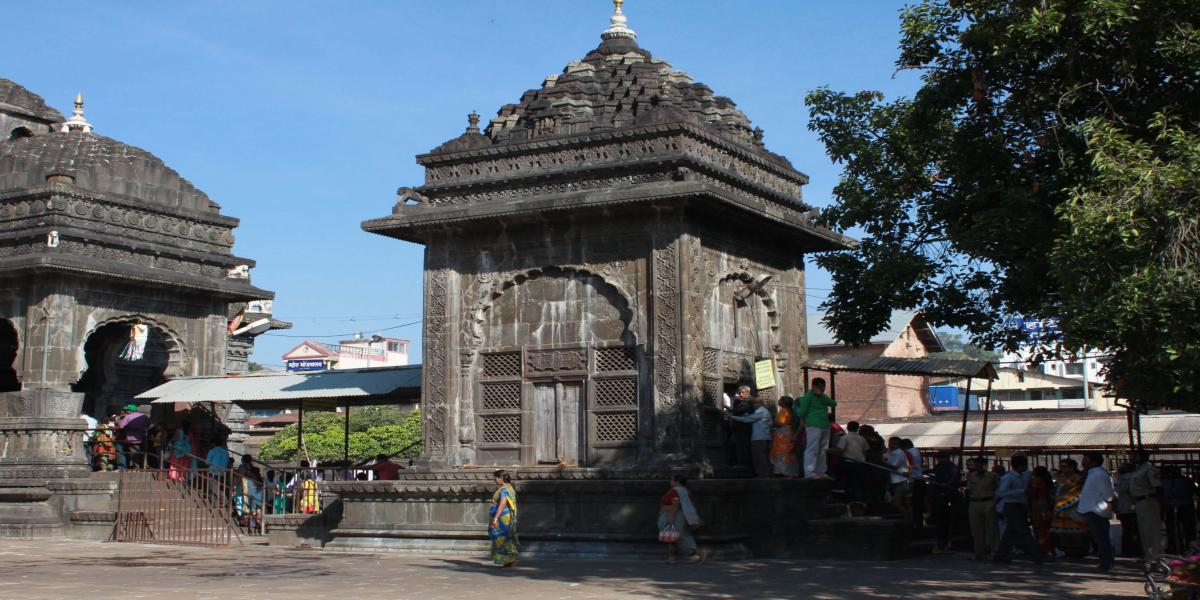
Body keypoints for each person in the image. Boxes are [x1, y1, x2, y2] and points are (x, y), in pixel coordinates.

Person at [994, 455, 1045, 564]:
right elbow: (1002, 493)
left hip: (1021, 505)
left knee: (1010, 532)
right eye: (1025, 465)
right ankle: (1037, 554)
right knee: (1024, 530)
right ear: (1020, 466)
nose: (1027, 467)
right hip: (1012, 505)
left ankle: (1000, 554)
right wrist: (1020, 491)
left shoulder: (1025, 476)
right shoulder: (1008, 478)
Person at [1078, 452, 1116, 571]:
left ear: (1092, 461)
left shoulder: (1099, 474)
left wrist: (1111, 502)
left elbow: (1107, 493)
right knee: (1100, 538)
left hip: (1097, 510)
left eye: (1085, 458)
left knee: (1102, 538)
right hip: (1092, 509)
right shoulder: (1092, 474)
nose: (1082, 461)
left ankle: (1105, 563)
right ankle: (1106, 561)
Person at [794, 378, 836, 479]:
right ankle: (809, 473)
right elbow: (802, 412)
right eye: (819, 387)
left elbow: (833, 404)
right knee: (812, 449)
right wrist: (807, 420)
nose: (822, 389)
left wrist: (822, 396)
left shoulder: (823, 396)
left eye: (823, 387)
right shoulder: (807, 397)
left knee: (822, 450)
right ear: (813, 386)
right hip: (813, 425)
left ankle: (821, 472)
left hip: (824, 425)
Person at [658, 475, 705, 563]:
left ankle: (698, 553)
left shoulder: (676, 491)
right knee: (673, 536)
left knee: (675, 536)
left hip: (676, 516)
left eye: (672, 480)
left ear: (678, 481)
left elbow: (675, 505)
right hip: (681, 516)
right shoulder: (686, 491)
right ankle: (672, 557)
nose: (670, 482)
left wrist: (670, 519)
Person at [725, 395, 772, 478]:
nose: (754, 404)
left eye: (756, 403)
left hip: (760, 438)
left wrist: (732, 417)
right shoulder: (762, 411)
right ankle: (764, 475)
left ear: (761, 403)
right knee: (761, 457)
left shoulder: (761, 411)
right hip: (762, 437)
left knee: (760, 458)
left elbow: (747, 419)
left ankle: (764, 475)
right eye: (754, 403)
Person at [1051, 458, 1089, 557]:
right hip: (1062, 509)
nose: (1062, 469)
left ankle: (1079, 550)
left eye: (1064, 466)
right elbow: (1058, 491)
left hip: (1074, 507)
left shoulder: (1078, 478)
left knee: (1078, 528)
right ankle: (1067, 550)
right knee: (1063, 530)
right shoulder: (1060, 478)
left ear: (1072, 467)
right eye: (1061, 467)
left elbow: (1079, 491)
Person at [965, 456, 1000, 560]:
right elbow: (969, 489)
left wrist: (995, 502)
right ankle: (979, 552)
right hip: (974, 502)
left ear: (985, 465)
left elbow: (999, 490)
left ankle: (995, 552)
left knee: (992, 529)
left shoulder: (993, 476)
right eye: (976, 465)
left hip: (988, 502)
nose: (978, 467)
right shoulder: (972, 476)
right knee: (976, 530)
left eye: (980, 465)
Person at [1130, 450, 1163, 559]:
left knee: (1151, 529)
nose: (1132, 458)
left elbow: (1157, 487)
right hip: (1140, 502)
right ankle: (1148, 555)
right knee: (1144, 530)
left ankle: (1156, 556)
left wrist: (1160, 504)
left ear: (1142, 457)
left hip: (1148, 501)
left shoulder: (1149, 469)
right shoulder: (1139, 470)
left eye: (1135, 456)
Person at [928, 453, 959, 553]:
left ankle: (946, 543)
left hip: (948, 497)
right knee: (940, 522)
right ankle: (941, 543)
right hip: (939, 497)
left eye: (940, 458)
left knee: (947, 521)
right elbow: (933, 476)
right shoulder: (938, 467)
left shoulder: (952, 468)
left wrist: (945, 489)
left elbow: (952, 481)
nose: (939, 461)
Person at [1162, 466, 1197, 554]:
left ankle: (1176, 547)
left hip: (1174, 506)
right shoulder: (1186, 480)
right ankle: (1186, 547)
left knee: (1175, 528)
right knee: (1186, 528)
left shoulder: (1164, 481)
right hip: (1183, 506)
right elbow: (1193, 491)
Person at [489, 469, 519, 567]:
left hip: (502, 517)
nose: (495, 481)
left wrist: (496, 518)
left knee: (500, 535)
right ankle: (508, 558)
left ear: (501, 478)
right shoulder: (510, 487)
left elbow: (502, 503)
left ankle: (508, 556)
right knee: (505, 536)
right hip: (507, 516)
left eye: (496, 479)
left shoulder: (504, 489)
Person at [834, 421, 869, 502]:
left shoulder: (845, 438)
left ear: (847, 427)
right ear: (857, 428)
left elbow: (840, 449)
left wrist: (826, 450)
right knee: (858, 483)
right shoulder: (862, 438)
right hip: (861, 463)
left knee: (848, 482)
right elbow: (865, 451)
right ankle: (858, 500)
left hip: (848, 463)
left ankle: (849, 500)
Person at [769, 397, 801, 477]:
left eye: (780, 400)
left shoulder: (783, 411)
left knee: (782, 453)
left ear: (783, 403)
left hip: (783, 433)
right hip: (789, 432)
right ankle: (791, 472)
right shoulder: (792, 411)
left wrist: (773, 422)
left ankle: (783, 471)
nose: (778, 400)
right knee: (789, 452)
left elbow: (780, 422)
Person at [1114, 462, 1141, 558]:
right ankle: (1132, 550)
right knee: (1130, 530)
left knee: (1129, 530)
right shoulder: (1124, 477)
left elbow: (1122, 490)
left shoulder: (1127, 477)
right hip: (1127, 507)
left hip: (1129, 507)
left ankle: (1130, 550)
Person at [1028, 466, 1056, 555]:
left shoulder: (1036, 481)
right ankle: (1049, 549)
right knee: (1046, 528)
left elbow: (1032, 494)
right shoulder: (1048, 481)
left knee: (1038, 528)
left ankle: (1042, 549)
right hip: (1047, 506)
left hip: (1037, 506)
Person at [885, 437, 912, 521]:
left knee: (896, 502)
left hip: (900, 481)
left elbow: (894, 467)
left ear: (899, 445)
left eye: (895, 444)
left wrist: (881, 463)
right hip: (900, 481)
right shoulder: (891, 453)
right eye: (891, 444)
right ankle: (911, 519)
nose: (892, 446)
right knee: (907, 503)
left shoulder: (898, 453)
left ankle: (908, 518)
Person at [728, 386, 755, 468]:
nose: (740, 394)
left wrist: (732, 410)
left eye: (743, 392)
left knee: (744, 445)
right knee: (738, 444)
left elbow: (737, 410)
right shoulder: (738, 400)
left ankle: (745, 463)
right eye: (740, 392)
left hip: (746, 426)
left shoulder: (750, 400)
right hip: (738, 426)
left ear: (748, 392)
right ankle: (740, 462)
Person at [116, 404, 149, 469]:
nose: (126, 411)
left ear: (129, 411)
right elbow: (148, 425)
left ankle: (137, 467)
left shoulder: (128, 417)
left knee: (134, 453)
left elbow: (121, 427)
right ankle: (143, 466)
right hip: (143, 437)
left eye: (127, 410)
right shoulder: (144, 416)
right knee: (142, 452)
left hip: (132, 438)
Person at [902, 439, 924, 528]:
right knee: (917, 503)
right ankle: (918, 522)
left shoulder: (907, 453)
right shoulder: (916, 450)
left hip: (911, 479)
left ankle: (912, 521)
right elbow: (921, 461)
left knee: (910, 501)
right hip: (919, 477)